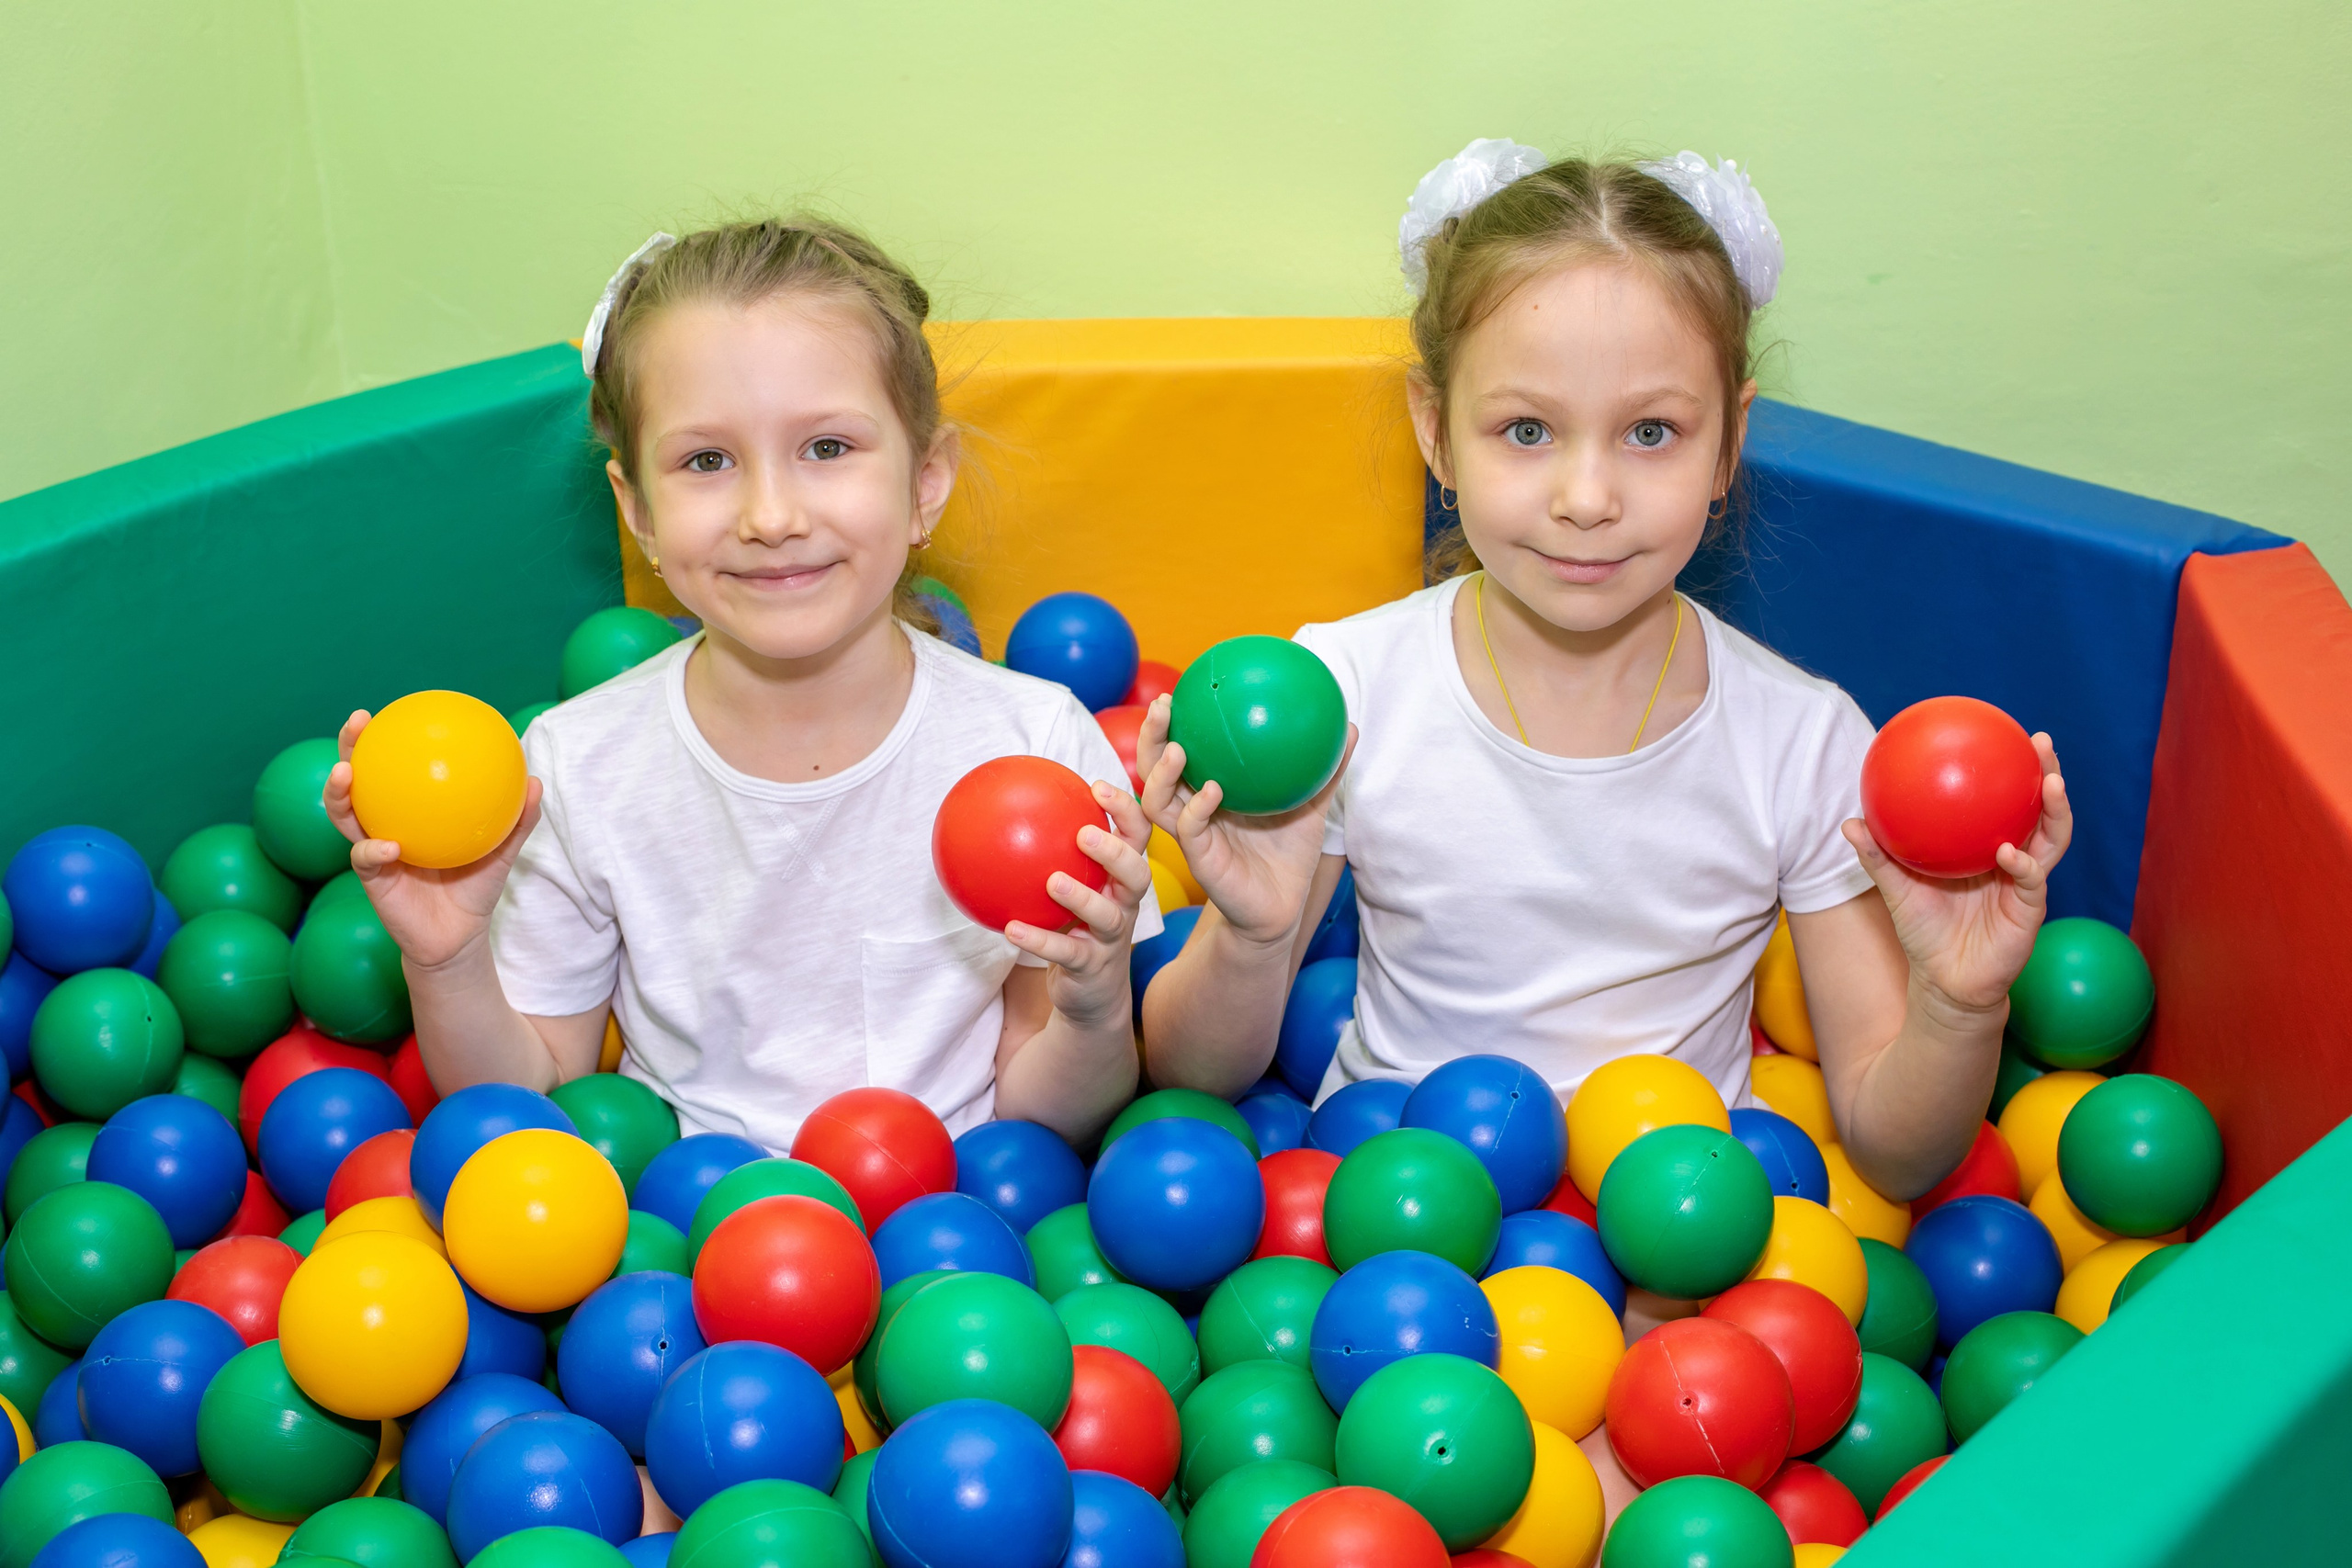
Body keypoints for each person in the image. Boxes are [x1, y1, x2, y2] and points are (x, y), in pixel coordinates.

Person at [1135, 144, 2070, 1202]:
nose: (1587, 495)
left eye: (1651, 433)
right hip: (1388, 1219)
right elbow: (1190, 1075)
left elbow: (1895, 1152)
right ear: (1433, 430)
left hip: (1686, 1238)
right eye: (1526, 430)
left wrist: (1958, 1006)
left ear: (1730, 446)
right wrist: (1255, 937)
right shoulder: (1344, 693)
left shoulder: (1801, 741)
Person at [323, 218, 1159, 1150]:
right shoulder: (568, 768)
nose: (770, 515)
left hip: (961, 1239)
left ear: (925, 482)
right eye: (706, 461)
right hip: (690, 1244)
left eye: (828, 448)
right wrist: (446, 961)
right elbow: (532, 1099)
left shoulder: (1034, 747)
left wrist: (1091, 1006)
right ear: (634, 510)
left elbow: (1051, 1125)